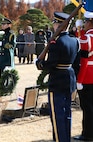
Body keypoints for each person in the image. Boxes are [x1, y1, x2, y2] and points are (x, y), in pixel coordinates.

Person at [35, 12, 80, 142]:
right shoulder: (74, 41)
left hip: (57, 81)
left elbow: (51, 64)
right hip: (69, 79)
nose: (53, 25)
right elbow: (77, 64)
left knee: (57, 115)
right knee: (67, 113)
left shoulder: (56, 42)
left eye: (55, 23)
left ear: (59, 25)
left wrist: (39, 64)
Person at [74, 9, 93, 141]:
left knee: (87, 107)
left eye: (86, 21)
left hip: (87, 75)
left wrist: (78, 29)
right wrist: (79, 30)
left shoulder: (88, 37)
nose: (85, 23)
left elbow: (79, 46)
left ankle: (88, 134)